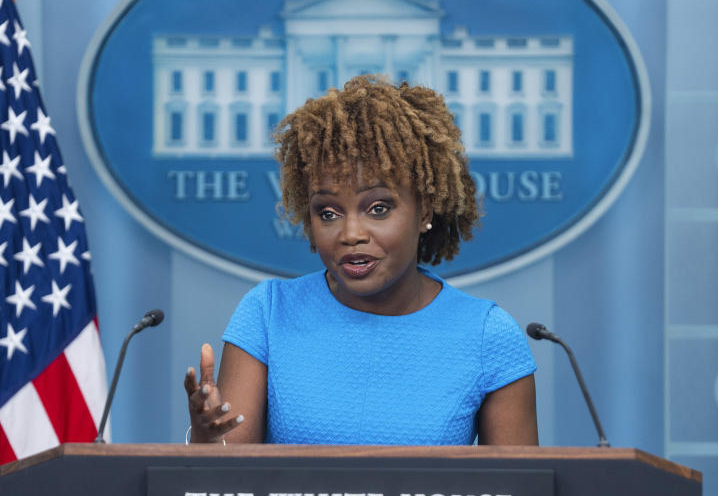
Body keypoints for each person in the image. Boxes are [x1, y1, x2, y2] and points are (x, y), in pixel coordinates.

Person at [183, 75, 538, 445]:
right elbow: (227, 491)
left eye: (378, 208)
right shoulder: (268, 314)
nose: (350, 233)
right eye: (329, 212)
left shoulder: (487, 336)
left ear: (425, 210)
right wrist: (207, 440)